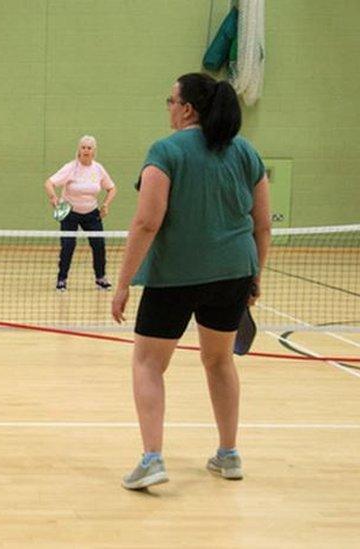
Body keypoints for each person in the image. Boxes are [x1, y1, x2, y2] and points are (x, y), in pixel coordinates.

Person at [111, 73, 271, 490]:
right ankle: (229, 454)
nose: (168, 106)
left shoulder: (165, 151)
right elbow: (263, 225)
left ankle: (152, 459)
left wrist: (124, 282)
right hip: (233, 272)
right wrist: (255, 275)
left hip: (174, 277)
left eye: (171, 100)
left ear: (187, 109)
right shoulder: (246, 153)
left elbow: (147, 221)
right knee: (220, 360)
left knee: (148, 363)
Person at [44, 135, 117, 292]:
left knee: (99, 245)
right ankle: (62, 279)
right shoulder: (71, 167)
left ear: (93, 151)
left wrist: (105, 204)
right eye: (83, 147)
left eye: (89, 148)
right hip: (70, 212)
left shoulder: (98, 169)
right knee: (68, 246)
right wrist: (53, 197)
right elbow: (49, 183)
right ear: (79, 149)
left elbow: (112, 188)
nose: (86, 150)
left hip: (91, 213)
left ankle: (100, 278)